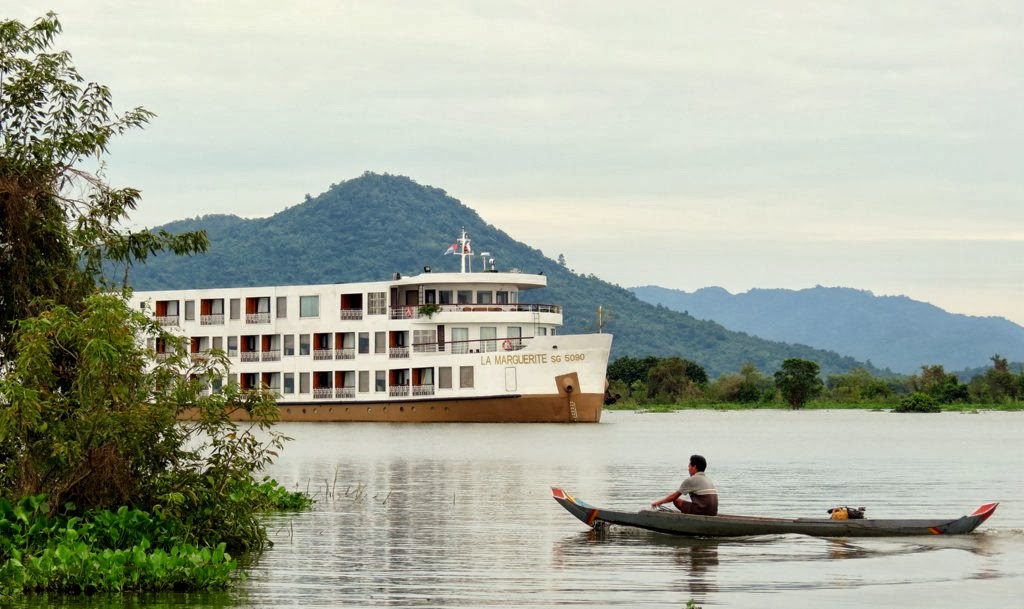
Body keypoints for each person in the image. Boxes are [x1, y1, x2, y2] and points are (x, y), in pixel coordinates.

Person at [651, 454, 718, 516]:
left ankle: (686, 519)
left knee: (676, 500)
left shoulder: (691, 480)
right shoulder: (708, 479)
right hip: (713, 512)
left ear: (694, 467)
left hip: (701, 511)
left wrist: (658, 502)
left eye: (689, 466)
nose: (688, 469)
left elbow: (674, 496)